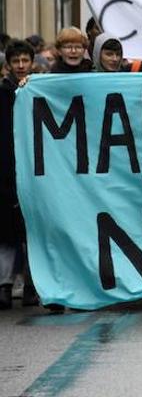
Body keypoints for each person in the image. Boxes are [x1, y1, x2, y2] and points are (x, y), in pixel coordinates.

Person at [0, 40, 39, 309]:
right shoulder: (2, 93)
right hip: (5, 169)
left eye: (25, 60)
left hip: (33, 168)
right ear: (9, 65)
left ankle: (30, 285)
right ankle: (4, 285)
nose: (21, 66)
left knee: (30, 232)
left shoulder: (36, 90)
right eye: (17, 62)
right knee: (6, 233)